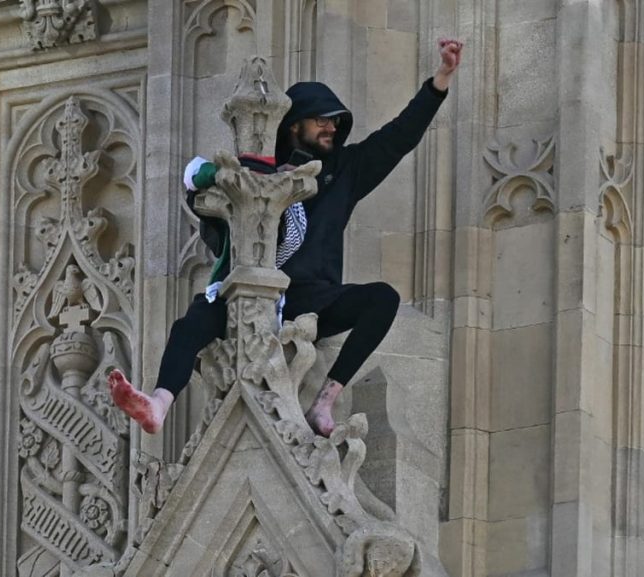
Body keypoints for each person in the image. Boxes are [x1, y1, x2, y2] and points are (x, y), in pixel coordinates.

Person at [274, 38, 463, 436]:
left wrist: (440, 79)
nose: (331, 127)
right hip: (270, 297)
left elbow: (398, 137)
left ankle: (325, 402)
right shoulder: (263, 173)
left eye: (335, 121)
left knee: (382, 299)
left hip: (316, 299)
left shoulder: (345, 169)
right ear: (295, 125)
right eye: (321, 120)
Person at [108, 153, 308, 434]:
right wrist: (224, 176)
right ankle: (159, 404)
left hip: (269, 304)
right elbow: (192, 172)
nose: (254, 186)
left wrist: (283, 179)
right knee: (187, 330)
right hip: (227, 293)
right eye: (249, 179)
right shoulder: (232, 195)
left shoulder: (290, 212)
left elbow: (295, 235)